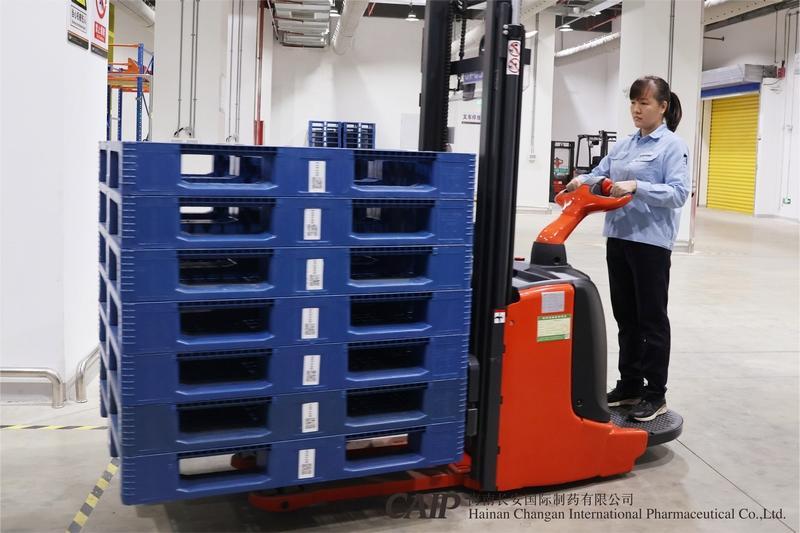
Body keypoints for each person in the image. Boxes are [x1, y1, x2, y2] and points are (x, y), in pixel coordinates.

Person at [564, 75, 690, 422]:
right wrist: (581, 180)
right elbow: (601, 172)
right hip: (619, 237)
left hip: (650, 243)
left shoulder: (672, 146)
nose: (636, 109)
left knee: (651, 319)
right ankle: (630, 385)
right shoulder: (624, 145)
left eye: (644, 103)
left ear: (662, 107)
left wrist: (638, 186)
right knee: (626, 317)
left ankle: (655, 394)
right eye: (633, 102)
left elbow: (678, 193)